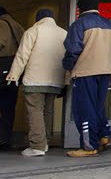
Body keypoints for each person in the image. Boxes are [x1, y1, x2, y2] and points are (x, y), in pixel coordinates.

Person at [62, 0, 111, 157]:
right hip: (104, 72)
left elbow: (73, 50)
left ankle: (89, 146)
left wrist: (67, 65)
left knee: (84, 109)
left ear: (79, 9)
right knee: (97, 107)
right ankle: (104, 136)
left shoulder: (78, 24)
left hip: (85, 72)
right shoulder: (109, 24)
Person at [5, 9, 66, 156]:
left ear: (37, 19)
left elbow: (22, 55)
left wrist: (13, 75)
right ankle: (46, 142)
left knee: (35, 111)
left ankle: (37, 145)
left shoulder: (33, 30)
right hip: (56, 80)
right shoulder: (64, 33)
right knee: (48, 111)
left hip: (35, 79)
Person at [0, 7, 25, 149]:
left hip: (2, 70)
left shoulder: (2, 24)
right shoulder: (19, 26)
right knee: (9, 107)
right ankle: (5, 138)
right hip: (14, 72)